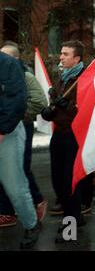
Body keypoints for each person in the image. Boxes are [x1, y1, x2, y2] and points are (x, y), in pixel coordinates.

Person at [40, 40, 93, 242]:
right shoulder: (62, 78)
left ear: (77, 58)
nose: (60, 57)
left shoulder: (85, 79)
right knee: (57, 181)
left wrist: (68, 107)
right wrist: (49, 112)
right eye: (61, 53)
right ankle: (76, 217)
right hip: (59, 135)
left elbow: (85, 110)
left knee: (69, 184)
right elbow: (56, 106)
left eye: (65, 54)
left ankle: (70, 230)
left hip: (74, 136)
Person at [0, 44, 48, 225]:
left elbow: (39, 102)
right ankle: (6, 212)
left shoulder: (26, 76)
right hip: (8, 124)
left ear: (15, 58)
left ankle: (37, 201)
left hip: (21, 126)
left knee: (21, 169)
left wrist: (13, 114)